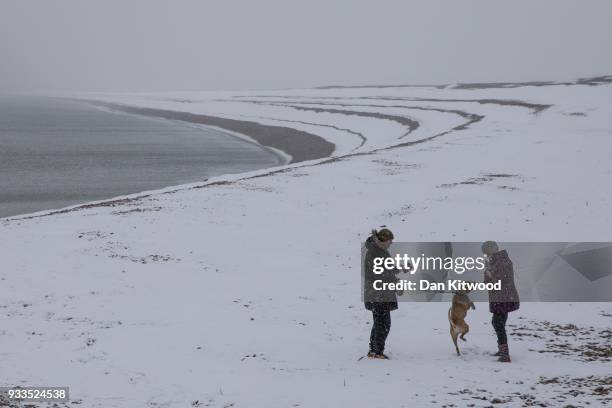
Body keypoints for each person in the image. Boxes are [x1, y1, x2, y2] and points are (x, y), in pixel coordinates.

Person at [482, 241, 520, 362]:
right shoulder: (495, 262)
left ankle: (505, 354)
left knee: (498, 323)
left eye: (486, 253)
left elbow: (500, 281)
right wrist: (487, 273)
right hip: (501, 297)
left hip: (503, 298)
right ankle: (502, 350)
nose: (486, 255)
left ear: (491, 250)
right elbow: (489, 282)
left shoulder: (503, 262)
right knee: (498, 323)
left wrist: (489, 274)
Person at [363, 228, 398, 359]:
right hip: (376, 294)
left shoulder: (380, 251)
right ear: (382, 240)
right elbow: (376, 274)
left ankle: (374, 350)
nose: (391, 243)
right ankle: (377, 352)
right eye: (389, 241)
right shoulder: (373, 253)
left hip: (382, 293)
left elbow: (387, 269)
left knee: (381, 323)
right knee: (382, 324)